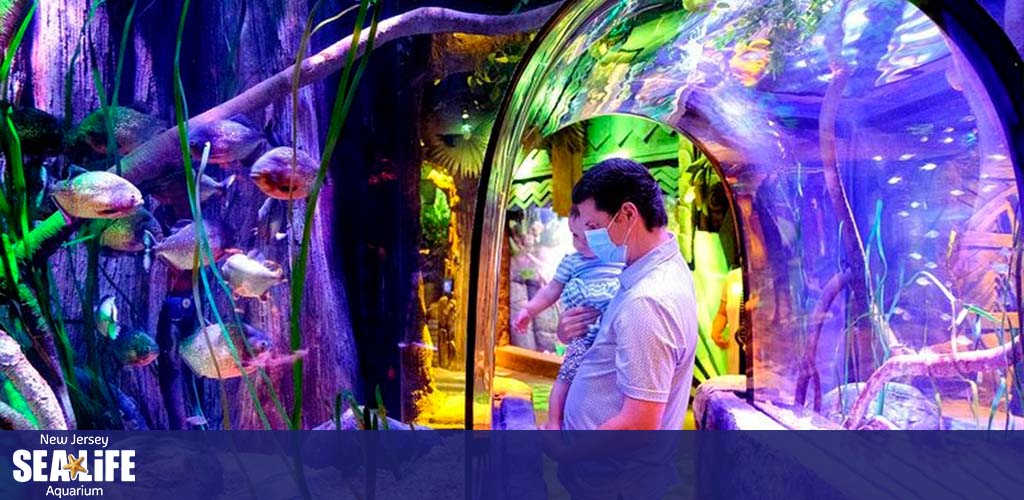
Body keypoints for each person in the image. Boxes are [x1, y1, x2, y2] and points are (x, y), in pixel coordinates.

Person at [558, 157, 698, 430]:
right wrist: (569, 331)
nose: (588, 240)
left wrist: (567, 452)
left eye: (593, 227)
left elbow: (638, 424)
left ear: (628, 214)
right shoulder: (650, 269)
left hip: (612, 471)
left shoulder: (648, 302)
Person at [511, 206, 624, 430]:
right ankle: (554, 422)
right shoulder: (573, 262)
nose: (578, 243)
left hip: (612, 337)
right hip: (583, 336)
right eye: (574, 235)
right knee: (566, 377)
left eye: (585, 236)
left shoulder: (619, 257)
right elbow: (551, 289)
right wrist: (529, 310)